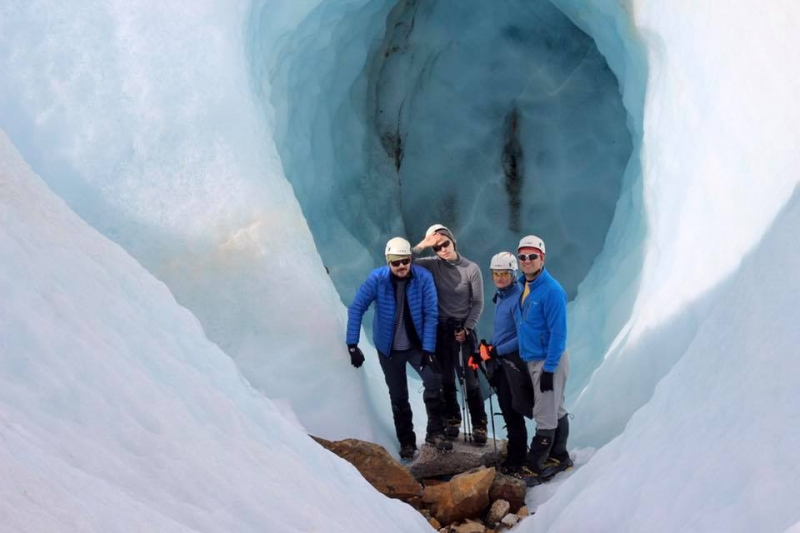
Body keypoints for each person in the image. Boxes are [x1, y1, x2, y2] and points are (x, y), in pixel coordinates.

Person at [346, 237, 452, 459]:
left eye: (405, 260)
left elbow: (431, 314)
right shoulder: (377, 279)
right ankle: (407, 442)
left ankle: (436, 432)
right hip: (389, 349)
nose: (401, 266)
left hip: (417, 346)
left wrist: (429, 350)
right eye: (396, 262)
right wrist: (352, 344)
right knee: (398, 395)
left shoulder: (423, 278)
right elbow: (356, 308)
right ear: (388, 262)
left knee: (433, 381)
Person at [412, 224, 488, 445]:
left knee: (470, 382)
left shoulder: (471, 269)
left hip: (464, 331)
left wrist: (467, 328)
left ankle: (479, 424)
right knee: (446, 379)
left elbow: (478, 303)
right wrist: (423, 244)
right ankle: (452, 420)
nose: (442, 249)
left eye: (445, 244)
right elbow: (405, 261)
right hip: (441, 332)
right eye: (437, 248)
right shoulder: (432, 265)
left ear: (453, 241)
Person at [514, 235, 573, 486]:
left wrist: (549, 368)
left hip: (549, 360)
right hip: (536, 358)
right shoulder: (524, 285)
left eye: (532, 256)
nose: (526, 261)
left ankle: (534, 466)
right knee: (556, 407)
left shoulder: (552, 291)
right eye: (522, 257)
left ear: (542, 258)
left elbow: (559, 333)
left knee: (545, 413)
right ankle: (559, 456)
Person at [469, 252, 533, 475]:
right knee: (508, 408)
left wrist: (496, 351)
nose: (500, 277)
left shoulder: (517, 298)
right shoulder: (503, 296)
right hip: (502, 360)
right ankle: (516, 455)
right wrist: (484, 351)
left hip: (512, 362)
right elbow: (504, 333)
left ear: (513, 274)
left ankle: (518, 459)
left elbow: (522, 336)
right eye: (496, 273)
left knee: (513, 409)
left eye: (504, 273)